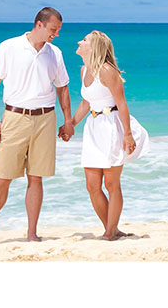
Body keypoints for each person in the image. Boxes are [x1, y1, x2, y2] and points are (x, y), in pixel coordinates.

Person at [0, 7, 74, 243]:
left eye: (58, 30)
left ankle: (32, 234)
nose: (56, 34)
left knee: (36, 177)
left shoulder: (54, 52)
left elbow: (62, 87)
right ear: (39, 24)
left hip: (46, 119)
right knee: (3, 177)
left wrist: (67, 120)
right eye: (53, 29)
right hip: (15, 117)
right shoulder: (9, 46)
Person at [62, 30, 149, 240]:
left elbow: (122, 103)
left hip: (112, 127)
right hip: (93, 127)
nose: (79, 42)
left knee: (111, 184)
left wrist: (128, 134)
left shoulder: (107, 71)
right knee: (92, 186)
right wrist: (71, 124)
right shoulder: (84, 70)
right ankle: (111, 228)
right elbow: (86, 102)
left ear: (94, 47)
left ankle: (111, 232)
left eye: (84, 40)